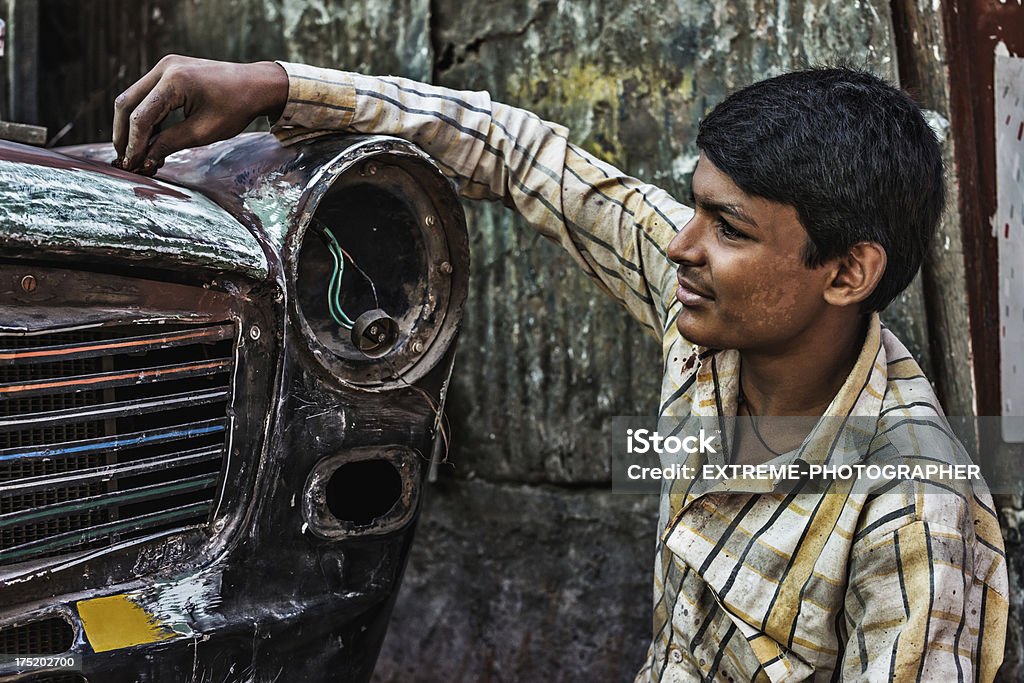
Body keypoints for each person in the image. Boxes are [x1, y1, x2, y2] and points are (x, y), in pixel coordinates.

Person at [112, 55, 1009, 681]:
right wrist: (270, 85)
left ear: (847, 272)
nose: (682, 247)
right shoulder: (710, 311)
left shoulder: (918, 516)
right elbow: (515, 150)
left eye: (730, 228)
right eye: (695, 208)